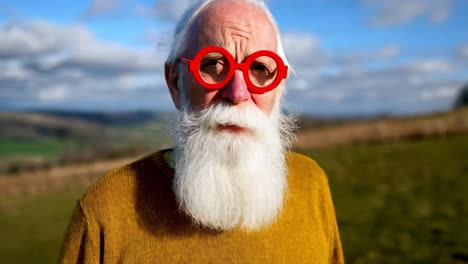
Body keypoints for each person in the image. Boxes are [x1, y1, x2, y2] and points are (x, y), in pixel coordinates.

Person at [59, 0, 344, 263]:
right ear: (175, 82)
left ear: (279, 86)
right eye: (213, 65)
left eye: (260, 68)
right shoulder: (106, 211)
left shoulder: (312, 184)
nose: (238, 92)